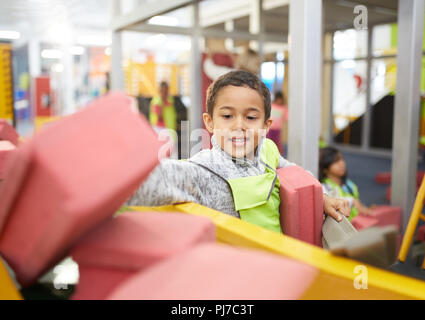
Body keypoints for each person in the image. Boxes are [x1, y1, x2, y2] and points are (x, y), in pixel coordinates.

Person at [127, 70, 349, 234]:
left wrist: (322, 197)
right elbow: (156, 178)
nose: (239, 125)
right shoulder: (204, 169)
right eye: (227, 116)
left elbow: (289, 168)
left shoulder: (267, 149)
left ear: (265, 125)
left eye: (251, 117)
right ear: (210, 122)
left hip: (280, 261)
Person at [319, 146, 375, 221]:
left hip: (357, 224)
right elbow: (330, 203)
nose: (341, 163)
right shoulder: (324, 187)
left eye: (341, 159)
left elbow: (359, 206)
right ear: (325, 169)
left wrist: (367, 209)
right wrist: (352, 201)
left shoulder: (349, 184)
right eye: (335, 161)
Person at [267, 91, 288, 155]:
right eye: (278, 99)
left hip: (277, 129)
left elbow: (286, 118)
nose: (279, 101)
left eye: (280, 100)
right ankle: (268, 154)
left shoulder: (283, 108)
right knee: (268, 142)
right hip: (269, 128)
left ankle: (277, 155)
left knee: (277, 143)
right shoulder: (271, 105)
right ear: (276, 99)